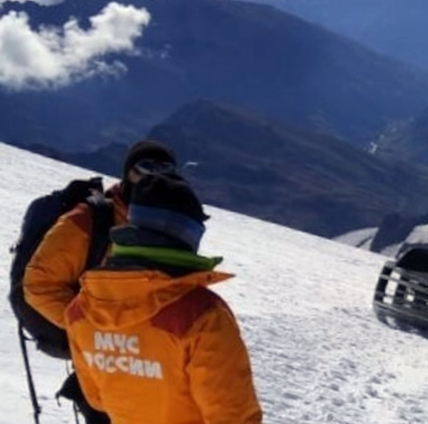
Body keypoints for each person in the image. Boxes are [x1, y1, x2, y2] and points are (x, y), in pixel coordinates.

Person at [65, 172, 263, 424]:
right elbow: (234, 417)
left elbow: (96, 399)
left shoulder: (80, 310)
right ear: (187, 234)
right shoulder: (201, 314)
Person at [23, 140, 178, 424]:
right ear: (127, 173)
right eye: (145, 168)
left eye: (165, 169)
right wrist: (93, 330)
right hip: (105, 357)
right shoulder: (88, 220)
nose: (155, 177)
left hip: (149, 359)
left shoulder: (168, 225)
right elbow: (39, 285)